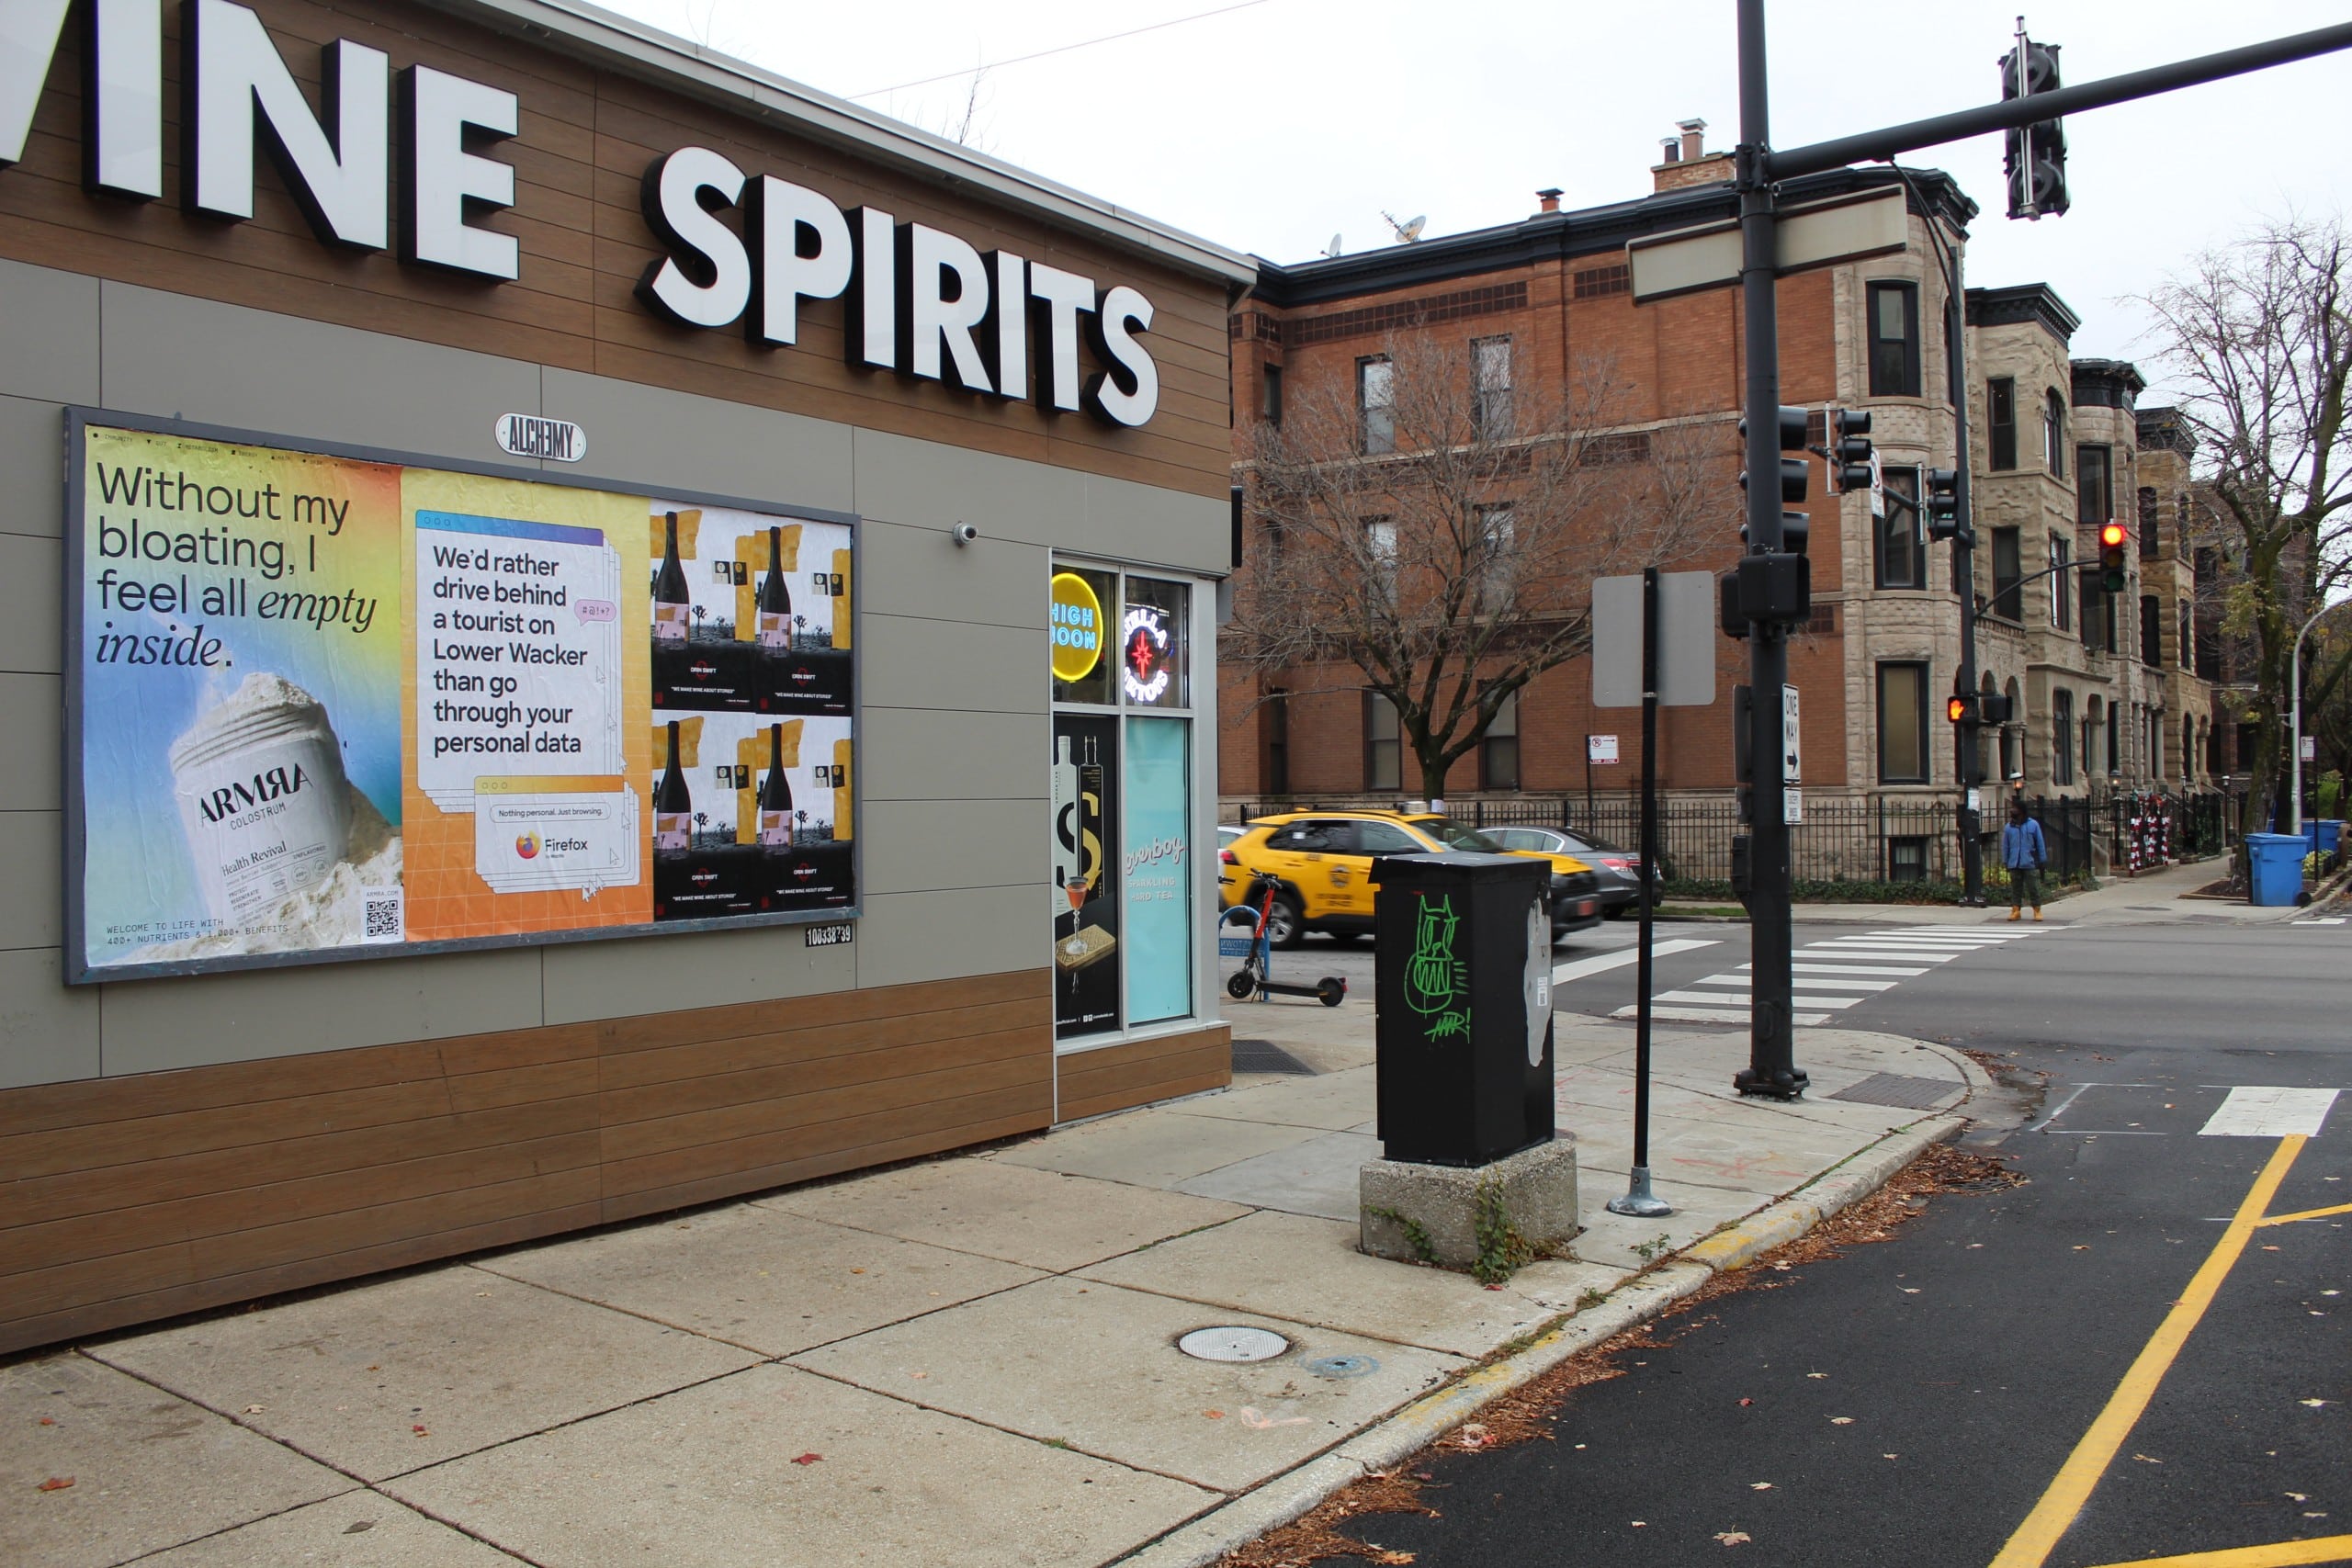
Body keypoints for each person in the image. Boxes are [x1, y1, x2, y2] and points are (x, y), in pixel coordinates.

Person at [2002, 798, 2047, 921]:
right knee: (2016, 888)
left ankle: (2037, 910)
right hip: (2014, 862)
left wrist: (2042, 860)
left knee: (2033, 887)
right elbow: (2005, 846)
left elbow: (2040, 843)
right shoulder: (2008, 827)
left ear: (2021, 811)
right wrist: (2005, 861)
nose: (2012, 810)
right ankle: (2016, 910)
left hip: (2029, 862)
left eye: (2015, 808)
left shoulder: (2033, 825)